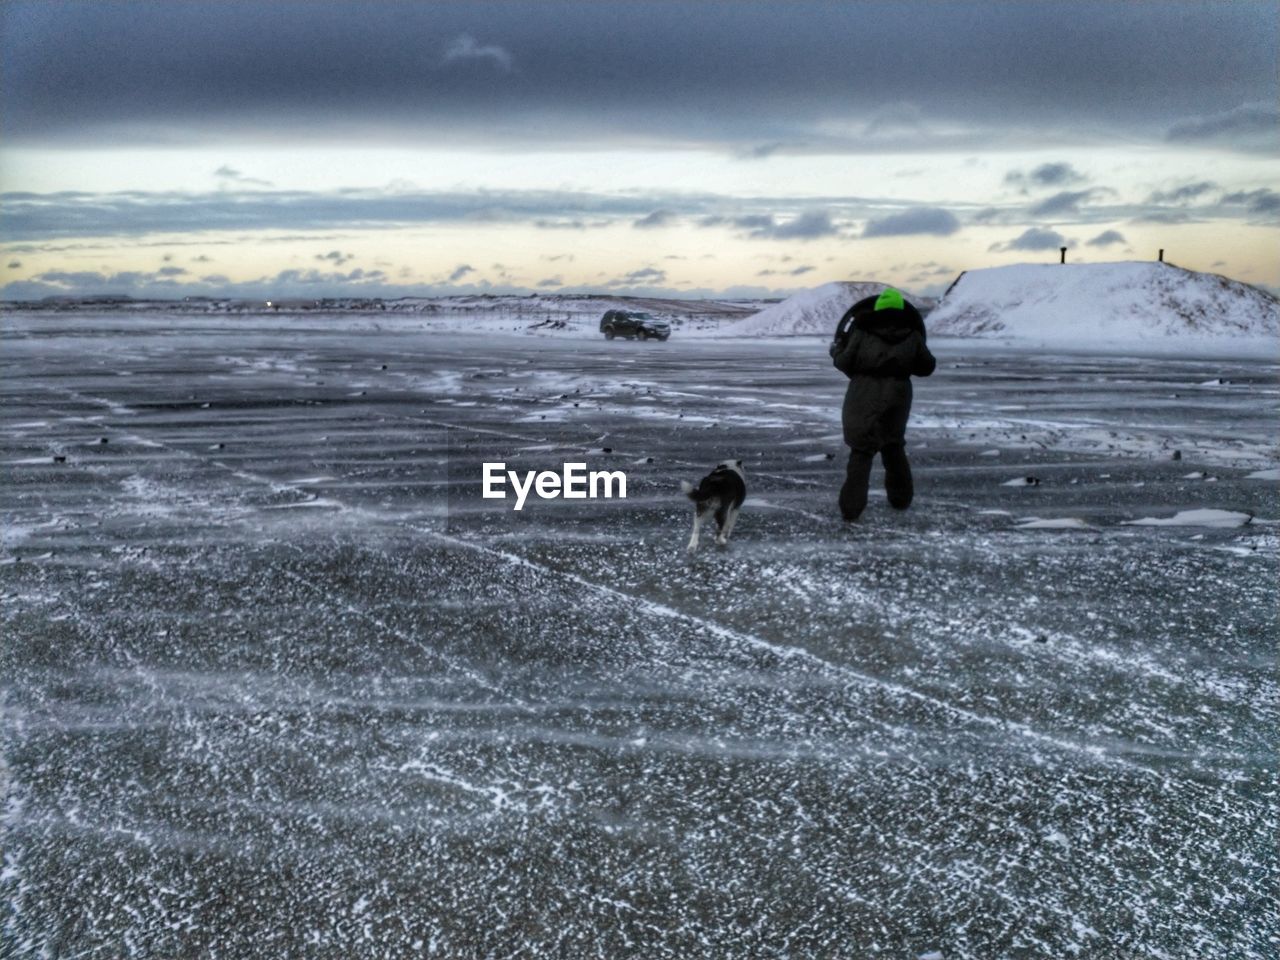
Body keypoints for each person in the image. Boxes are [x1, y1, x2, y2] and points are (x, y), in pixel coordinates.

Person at [829, 287, 936, 521]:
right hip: (898, 396)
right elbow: (926, 367)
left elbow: (845, 361)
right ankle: (900, 500)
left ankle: (851, 509)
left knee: (861, 452)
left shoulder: (862, 331)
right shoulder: (912, 334)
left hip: (863, 394)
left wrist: (836, 351)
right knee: (893, 447)